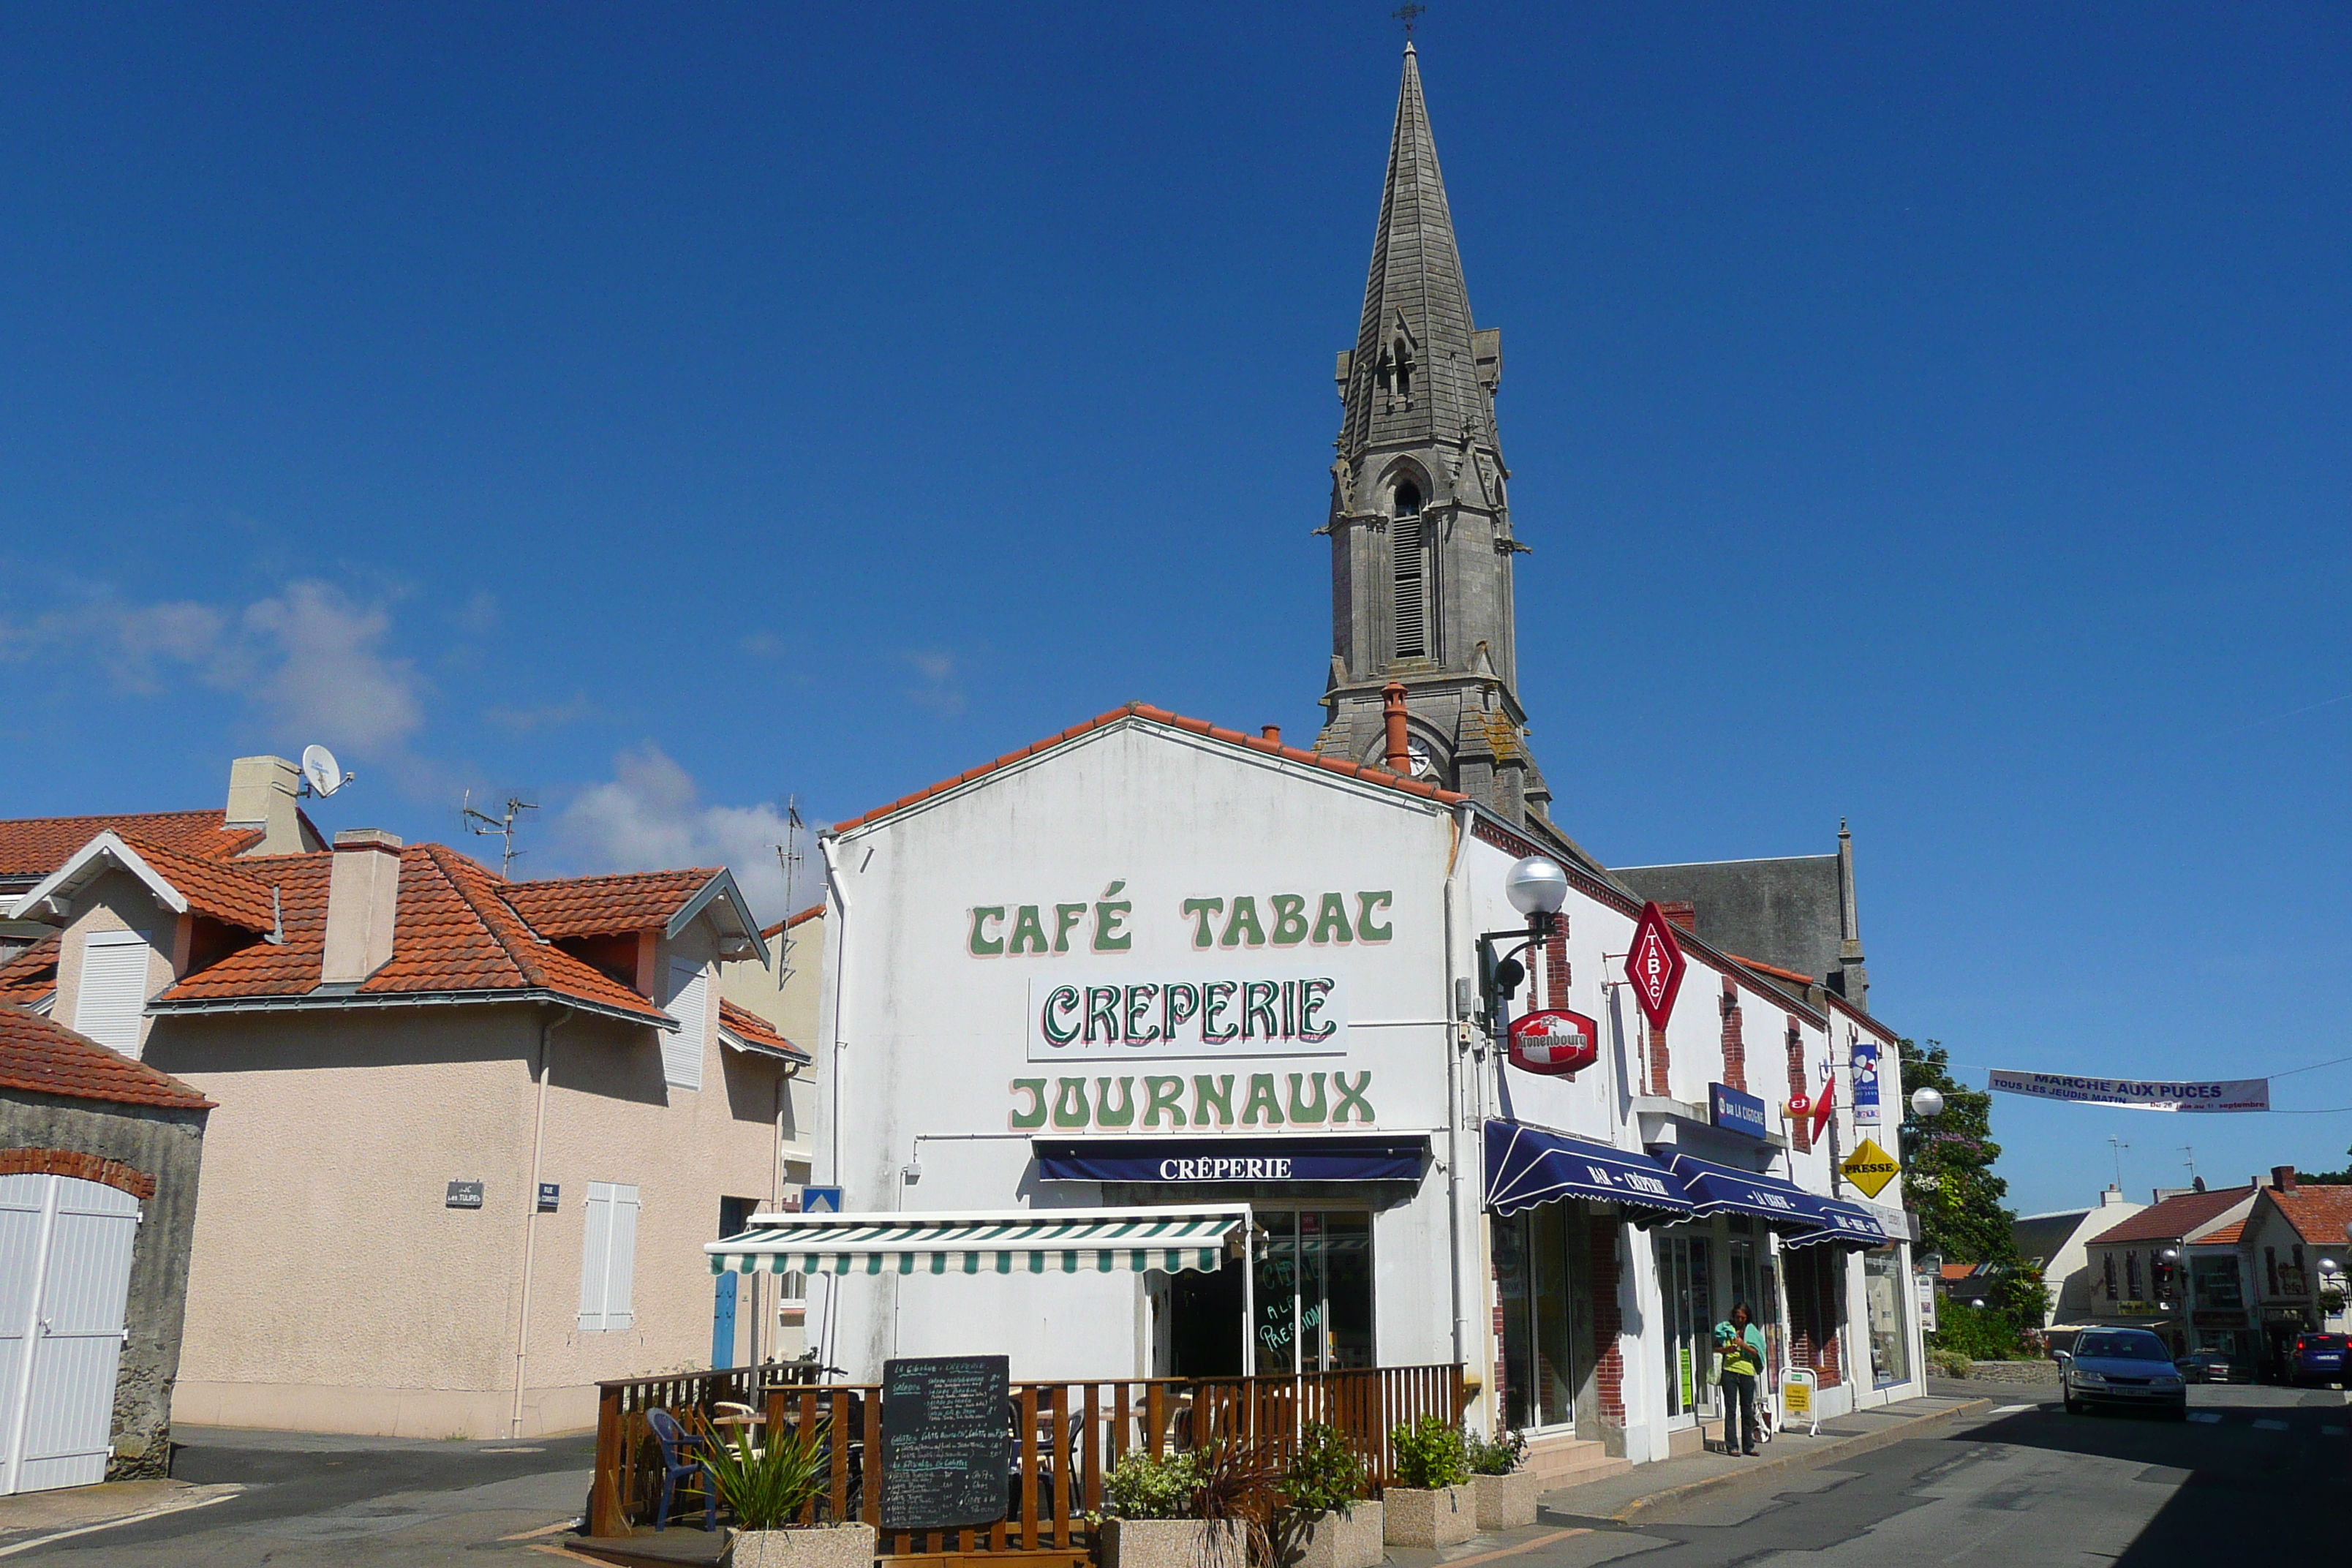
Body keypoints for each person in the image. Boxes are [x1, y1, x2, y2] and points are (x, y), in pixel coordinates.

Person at [1715, 1303, 1766, 1456]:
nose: (1740, 1320)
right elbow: (1715, 1347)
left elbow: (1756, 1353)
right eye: (1737, 1317)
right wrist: (1727, 1349)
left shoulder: (1751, 1332)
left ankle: (1748, 1446)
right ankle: (1732, 1446)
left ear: (1747, 1318)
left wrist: (1742, 1344)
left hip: (1746, 1372)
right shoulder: (1726, 1329)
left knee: (1746, 1409)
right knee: (1731, 1409)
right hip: (1729, 1371)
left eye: (1743, 1318)